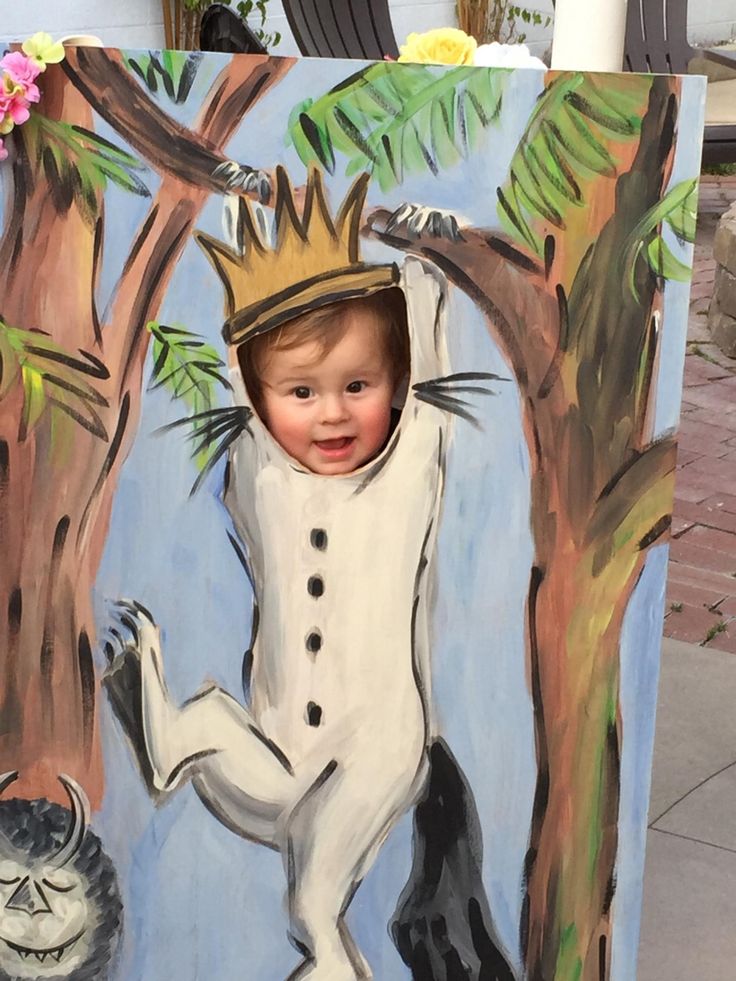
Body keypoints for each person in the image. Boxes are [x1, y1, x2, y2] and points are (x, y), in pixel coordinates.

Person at [238, 288, 409, 475]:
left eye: (355, 387)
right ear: (255, 398)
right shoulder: (242, 479)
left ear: (395, 382)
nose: (334, 415)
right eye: (302, 392)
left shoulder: (421, 461)